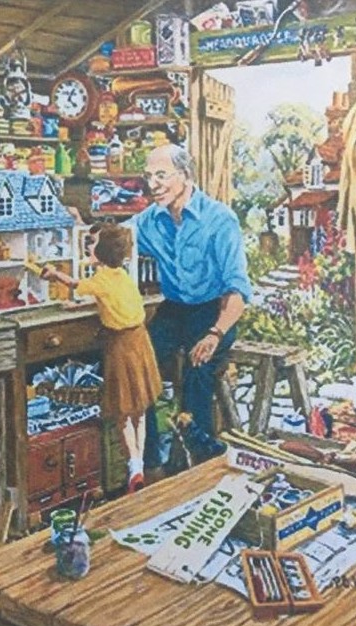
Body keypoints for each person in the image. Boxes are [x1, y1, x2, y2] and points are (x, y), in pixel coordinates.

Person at [131, 144, 251, 474]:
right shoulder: (149, 220)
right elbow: (115, 237)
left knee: (198, 371)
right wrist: (83, 226)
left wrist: (215, 333)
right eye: (149, 176)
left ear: (185, 175)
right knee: (138, 363)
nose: (153, 184)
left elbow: (237, 291)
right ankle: (150, 464)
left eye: (161, 175)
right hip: (174, 311)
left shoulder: (219, 219)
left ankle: (199, 466)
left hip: (214, 311)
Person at [43, 223, 162, 492]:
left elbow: (75, 284)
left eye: (93, 243)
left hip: (121, 346)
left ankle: (134, 464)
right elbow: (105, 297)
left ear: (102, 252)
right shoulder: (121, 276)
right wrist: (84, 304)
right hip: (140, 341)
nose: (89, 247)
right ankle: (139, 462)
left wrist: (54, 273)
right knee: (140, 409)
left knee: (122, 411)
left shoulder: (100, 279)